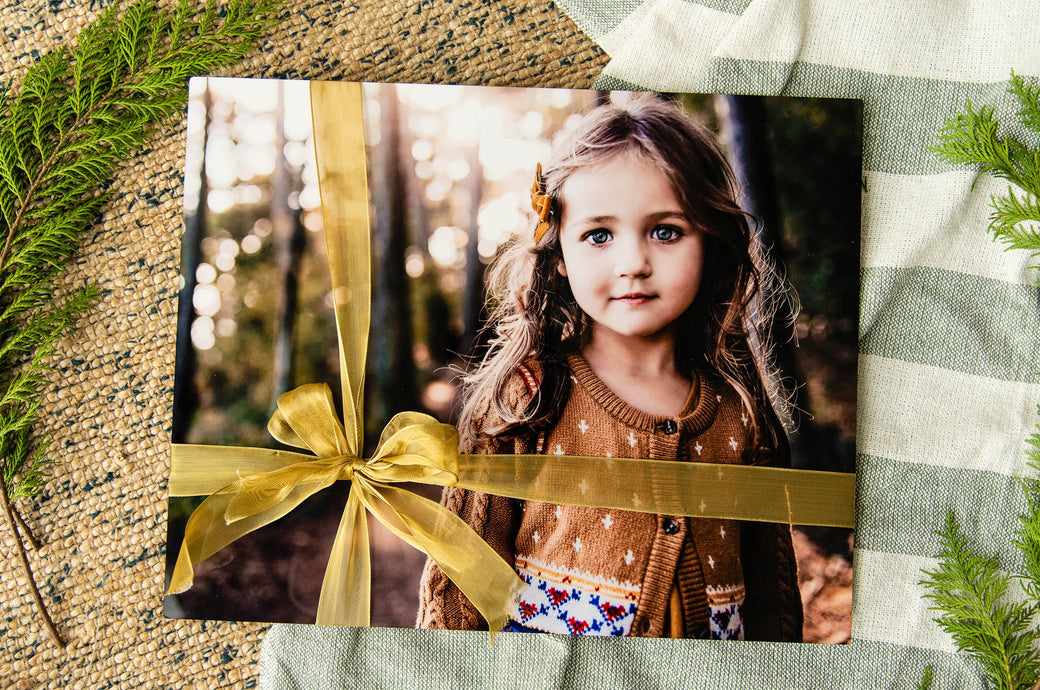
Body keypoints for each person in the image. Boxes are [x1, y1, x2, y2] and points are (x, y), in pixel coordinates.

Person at [416, 95, 802, 641]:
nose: (633, 263)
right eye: (599, 235)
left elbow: (772, 593)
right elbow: (461, 579)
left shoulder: (740, 410)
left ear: (710, 243)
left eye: (665, 231)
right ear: (558, 254)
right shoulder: (528, 397)